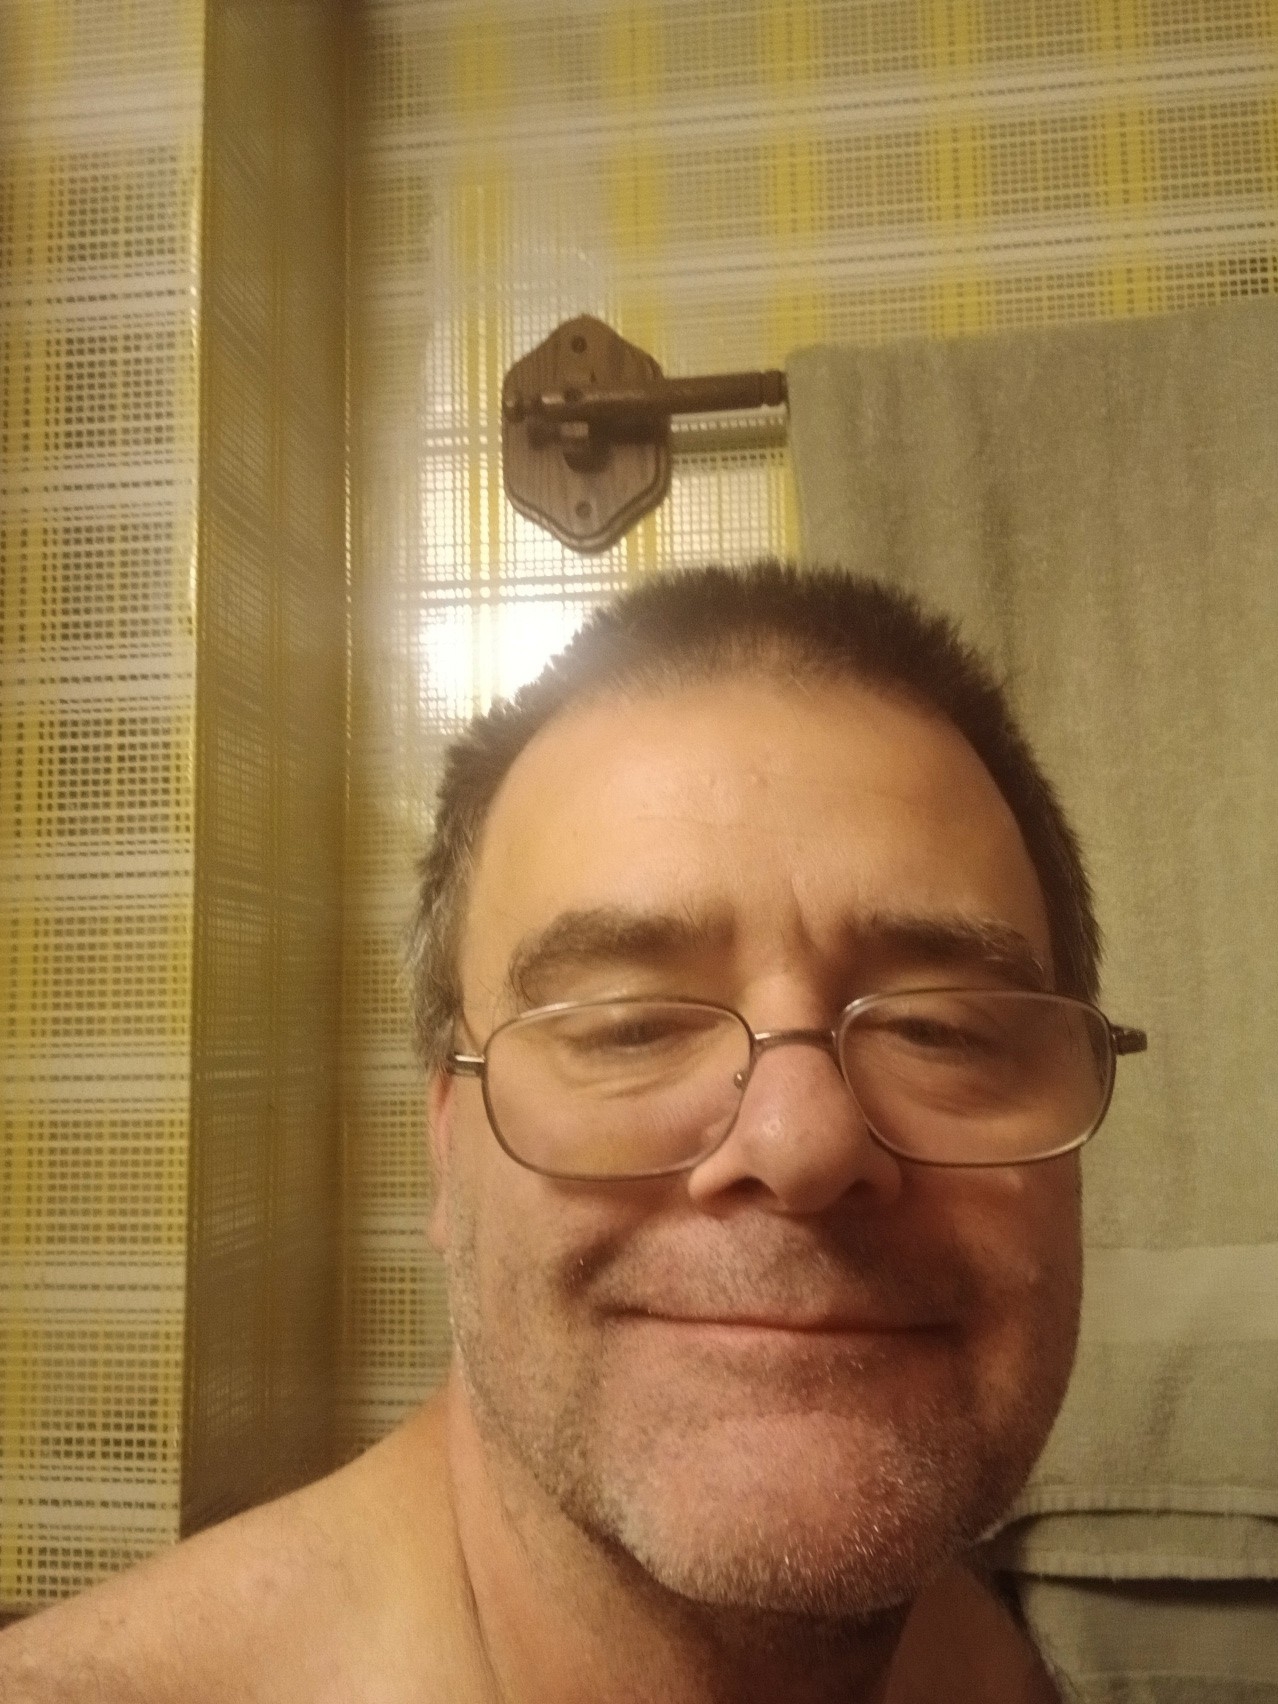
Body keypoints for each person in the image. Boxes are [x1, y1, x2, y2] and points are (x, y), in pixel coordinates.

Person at [0, 562, 1146, 1703]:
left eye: (941, 1030)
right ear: (449, 1138)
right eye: (629, 1026)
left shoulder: (1004, 1648)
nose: (800, 1141)